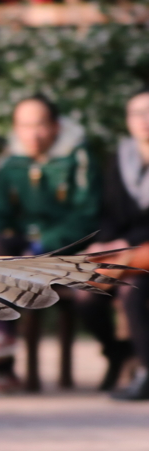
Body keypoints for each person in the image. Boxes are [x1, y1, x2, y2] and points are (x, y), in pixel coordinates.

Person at [0, 94, 106, 393]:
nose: (32, 135)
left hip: (67, 250)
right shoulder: (12, 163)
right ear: (15, 128)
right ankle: (2, 343)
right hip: (21, 253)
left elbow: (87, 217)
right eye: (24, 126)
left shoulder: (79, 158)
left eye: (40, 125)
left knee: (0, 267)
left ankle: (1, 356)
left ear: (56, 126)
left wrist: (40, 248)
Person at [90, 88, 149, 400]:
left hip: (143, 256)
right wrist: (106, 243)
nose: (144, 120)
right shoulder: (119, 158)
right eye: (137, 113)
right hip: (126, 255)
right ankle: (119, 352)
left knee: (132, 293)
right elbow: (109, 211)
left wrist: (127, 242)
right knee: (86, 293)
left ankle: (146, 373)